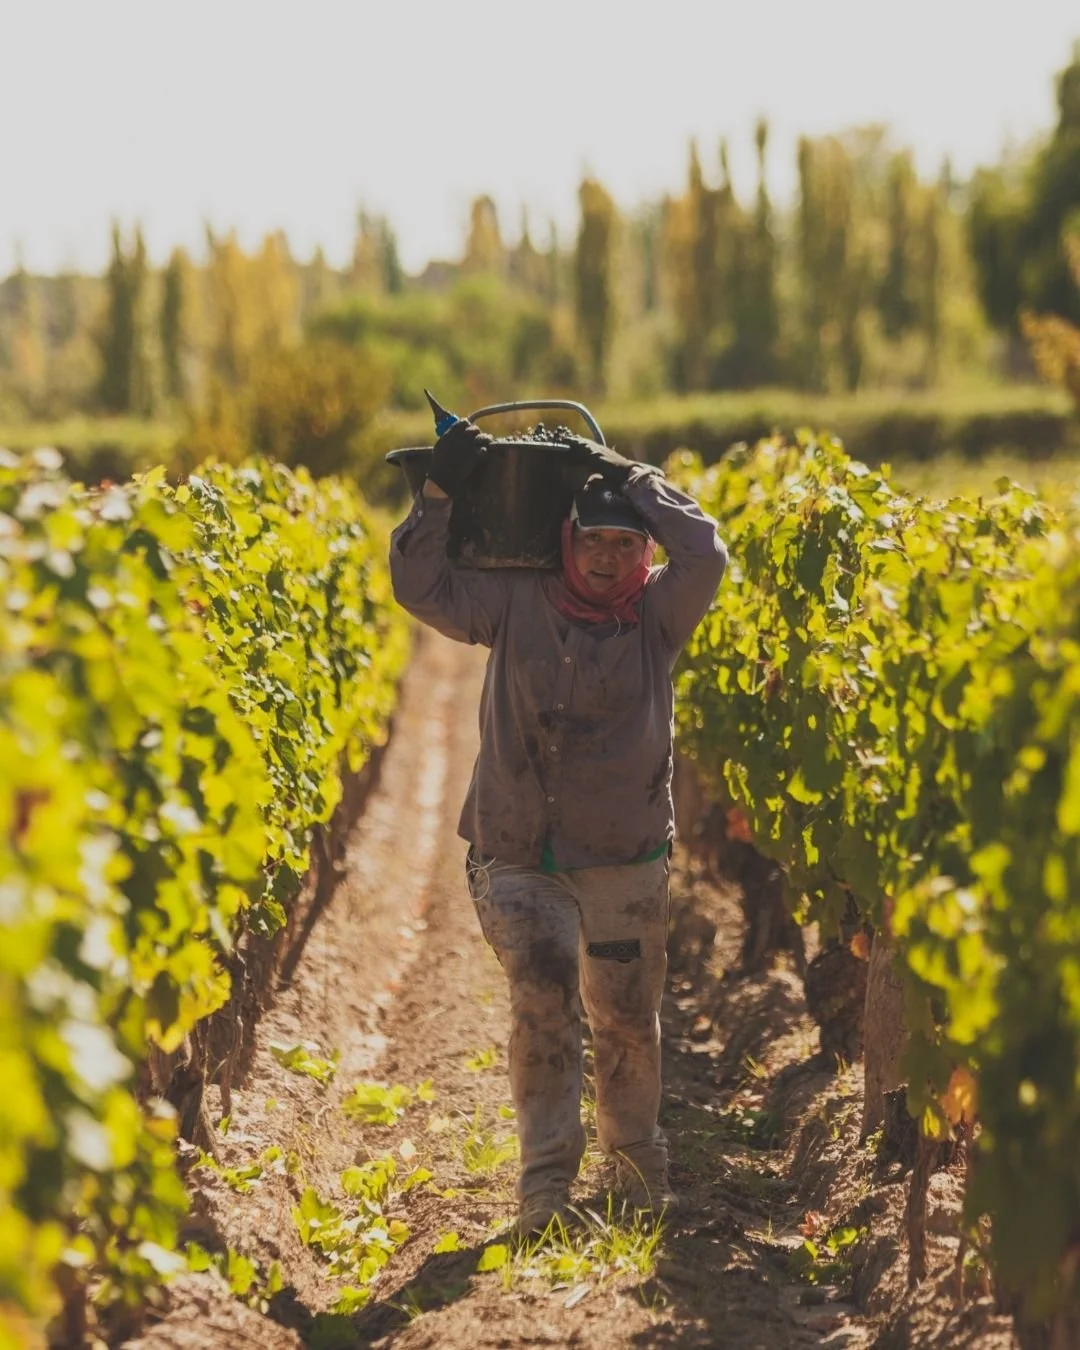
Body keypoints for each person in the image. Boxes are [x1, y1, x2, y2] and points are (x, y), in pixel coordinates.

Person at [389, 417, 727, 1237]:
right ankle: (545, 1192)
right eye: (592, 539)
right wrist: (438, 492)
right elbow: (420, 584)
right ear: (563, 542)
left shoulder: (658, 615)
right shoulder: (513, 599)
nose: (607, 556)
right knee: (542, 1003)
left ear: (642, 550)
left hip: (623, 855)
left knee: (624, 1018)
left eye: (624, 541)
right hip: (516, 852)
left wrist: (629, 474)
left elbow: (708, 551)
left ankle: (637, 1175)